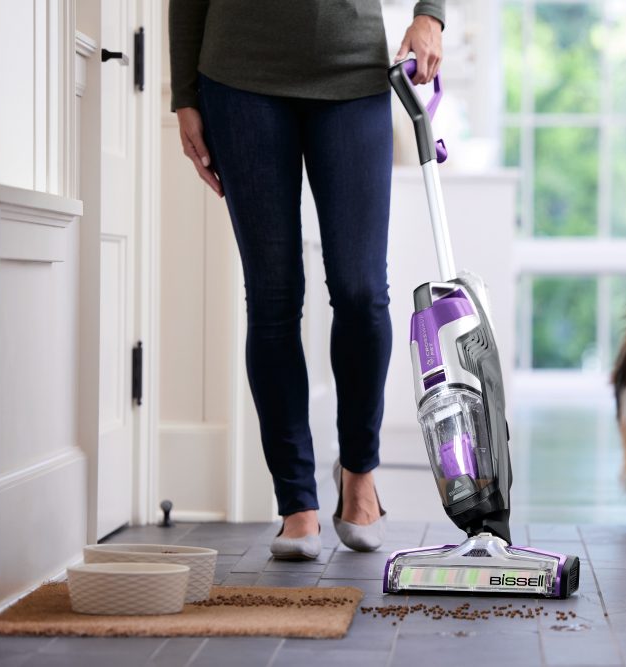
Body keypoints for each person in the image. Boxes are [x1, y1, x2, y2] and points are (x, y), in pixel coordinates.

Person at [169, 1, 444, 559]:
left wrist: (430, 15)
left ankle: (359, 476)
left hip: (354, 72)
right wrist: (183, 95)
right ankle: (297, 502)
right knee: (272, 300)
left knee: (362, 292)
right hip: (238, 79)